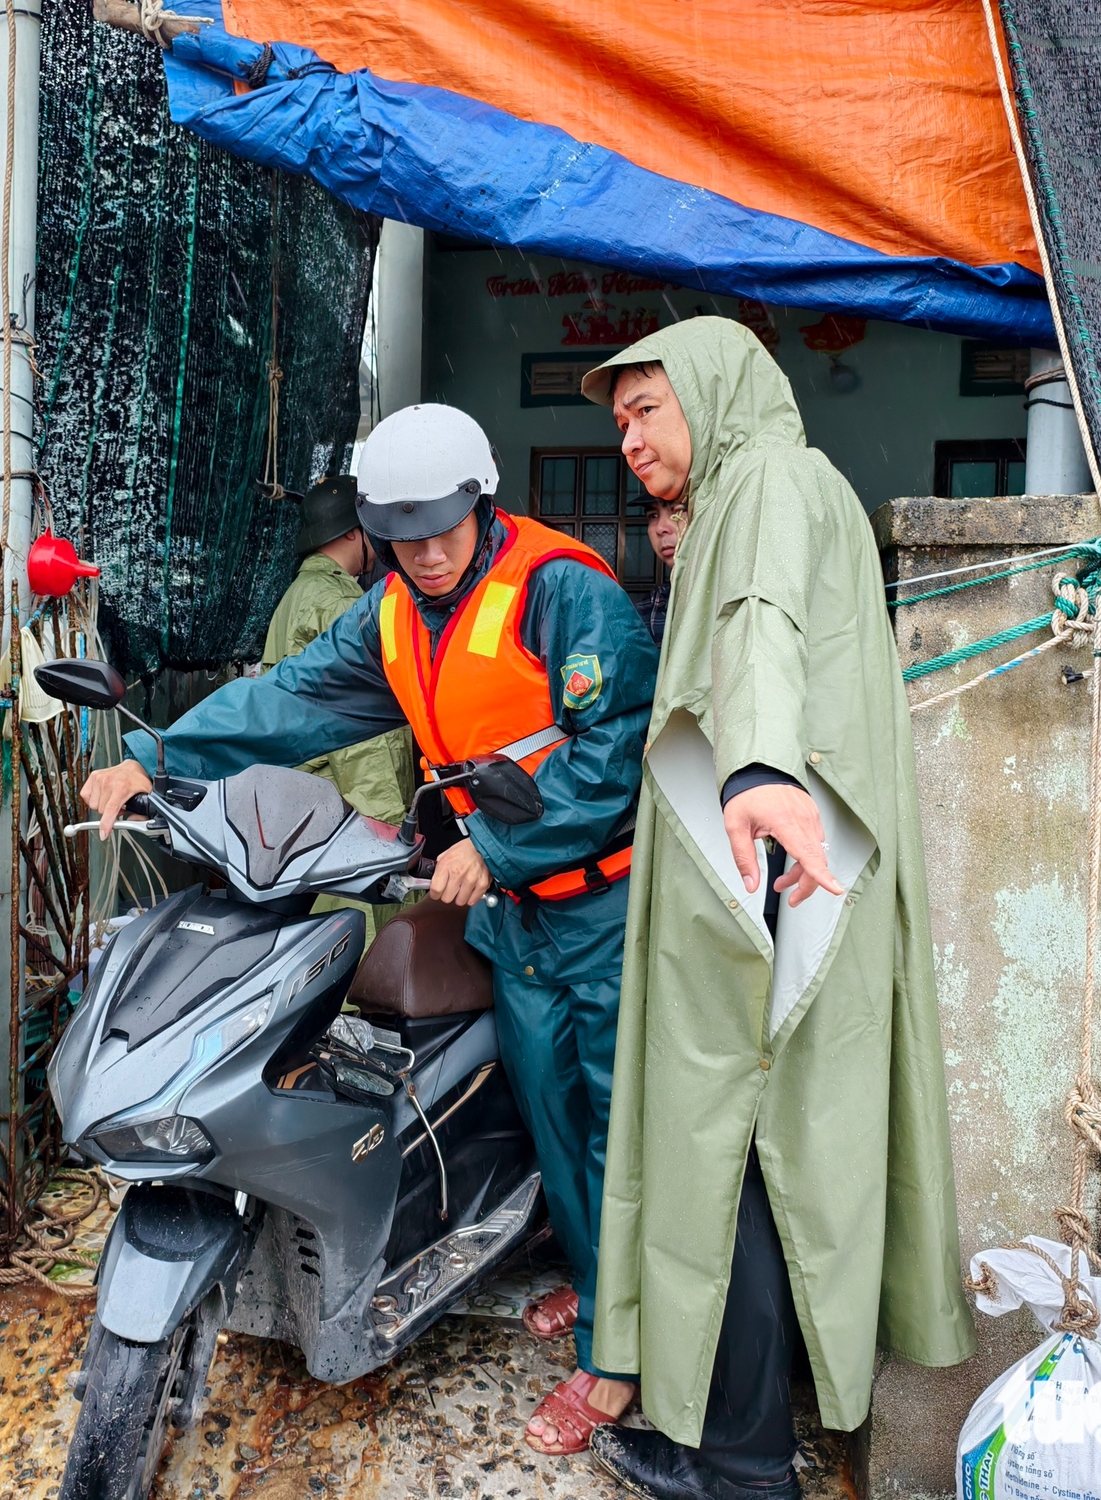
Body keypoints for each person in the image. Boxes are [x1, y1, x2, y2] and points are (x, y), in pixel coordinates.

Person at [80, 404, 657, 1454]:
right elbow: (288, 700)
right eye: (404, 535)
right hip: (508, 920)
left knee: (617, 1124)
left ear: (481, 503)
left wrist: (500, 851)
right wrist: (156, 760)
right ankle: (592, 1283)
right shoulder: (390, 612)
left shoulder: (561, 589)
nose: (428, 552)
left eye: (444, 528)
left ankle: (616, 1364)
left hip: (597, 909)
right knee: (551, 1112)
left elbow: (612, 749)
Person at [578, 319, 972, 1500]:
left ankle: (743, 1465)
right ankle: (735, 1439)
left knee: (735, 1154)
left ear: (706, 390)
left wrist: (755, 771)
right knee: (753, 1156)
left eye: (645, 409)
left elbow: (760, 627)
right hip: (771, 878)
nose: (630, 439)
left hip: (766, 886)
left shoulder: (766, 485)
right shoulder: (777, 490)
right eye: (617, 423)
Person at [261, 474, 417, 943]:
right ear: (355, 532)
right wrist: (386, 826)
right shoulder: (341, 603)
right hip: (348, 805)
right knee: (357, 929)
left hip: (302, 797)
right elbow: (358, 729)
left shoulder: (294, 598)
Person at [635, 491, 689, 646]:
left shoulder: (731, 600)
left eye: (677, 512)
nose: (660, 528)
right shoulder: (648, 611)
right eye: (653, 516)